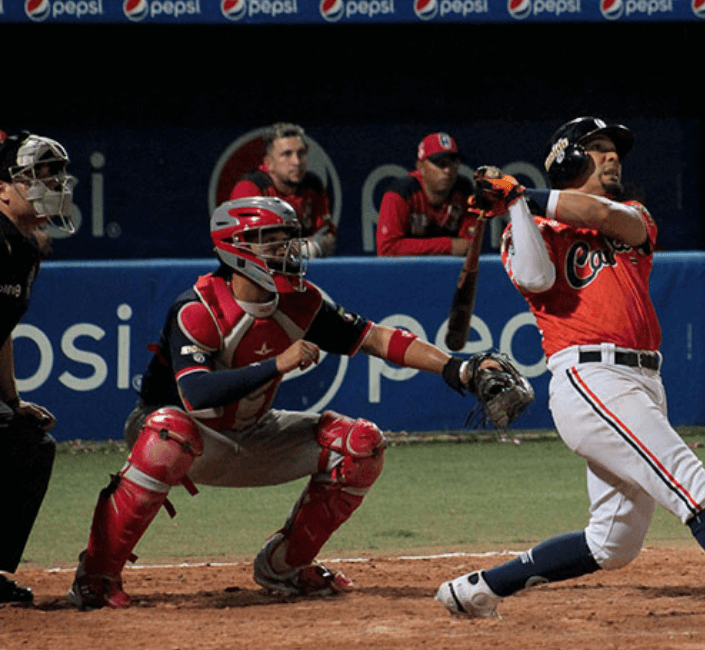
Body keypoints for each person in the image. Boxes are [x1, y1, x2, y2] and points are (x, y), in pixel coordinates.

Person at [435, 117, 705, 619]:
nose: (612, 158)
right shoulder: (529, 228)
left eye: (613, 150)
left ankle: (479, 588)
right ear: (568, 159)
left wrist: (522, 193)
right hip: (590, 379)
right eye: (598, 149)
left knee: (612, 544)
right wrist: (517, 205)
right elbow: (537, 279)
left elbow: (606, 217)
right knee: (692, 487)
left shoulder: (630, 214)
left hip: (644, 380)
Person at [67, 196, 510, 610]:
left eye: (288, 238)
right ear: (236, 248)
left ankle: (285, 567)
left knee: (361, 444)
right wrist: (278, 363)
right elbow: (196, 394)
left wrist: (459, 369)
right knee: (170, 431)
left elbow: (375, 337)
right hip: (183, 433)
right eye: (273, 240)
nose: (288, 249)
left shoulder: (301, 302)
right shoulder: (198, 307)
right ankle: (98, 575)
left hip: (252, 434)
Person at [0, 130, 74, 605]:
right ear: (3, 188)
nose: (53, 185)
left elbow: (0, 331)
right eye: (38, 176)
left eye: (55, 175)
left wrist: (12, 401)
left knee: (29, 444)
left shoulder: (23, 250)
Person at [229, 123, 337, 257]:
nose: (296, 162)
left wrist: (289, 248)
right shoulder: (250, 189)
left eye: (301, 153)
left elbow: (327, 239)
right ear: (268, 163)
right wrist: (307, 248)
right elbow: (251, 247)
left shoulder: (313, 186)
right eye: (287, 154)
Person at [376, 132, 477, 257]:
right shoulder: (401, 192)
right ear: (421, 167)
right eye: (440, 163)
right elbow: (386, 249)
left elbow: (470, 245)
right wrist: (448, 245)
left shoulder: (465, 191)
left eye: (453, 163)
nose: (448, 170)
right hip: (405, 271)